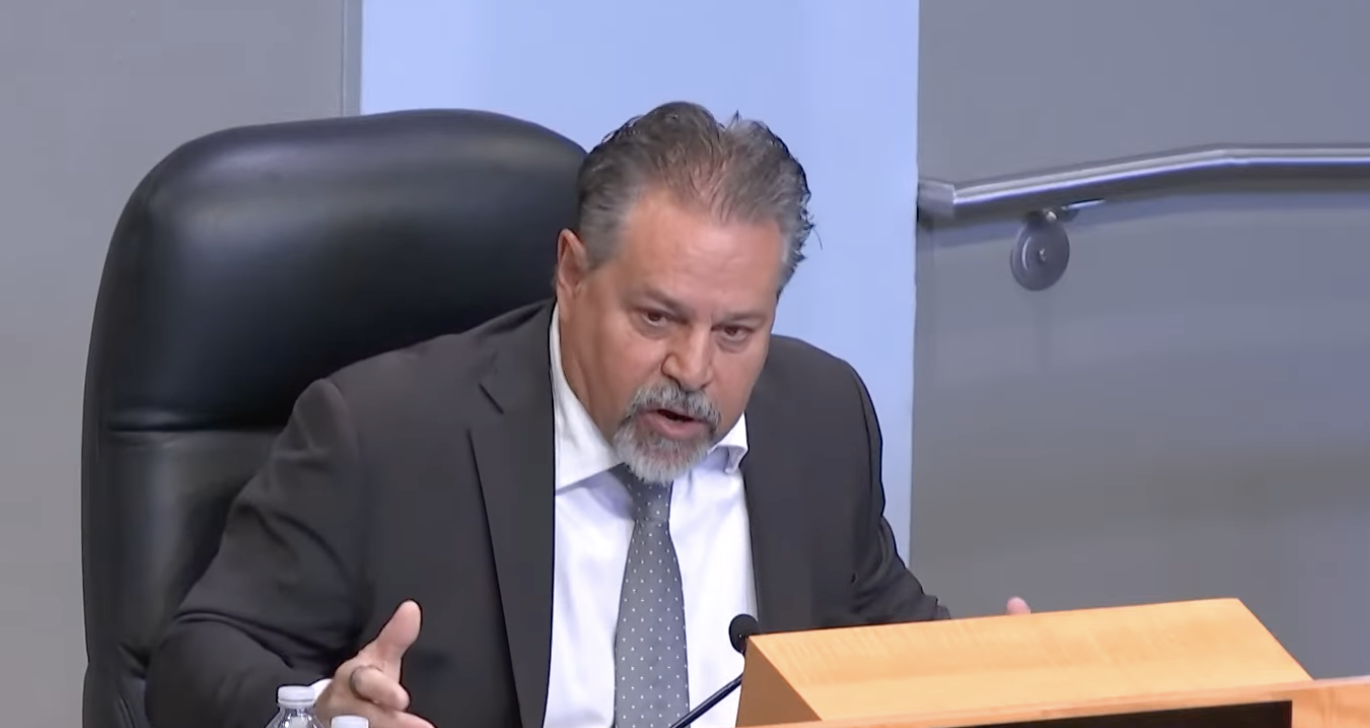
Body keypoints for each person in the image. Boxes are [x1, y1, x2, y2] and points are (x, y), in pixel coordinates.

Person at [143, 101, 1030, 728]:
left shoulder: (820, 418)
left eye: (736, 331)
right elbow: (197, 659)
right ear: (572, 274)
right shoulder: (382, 434)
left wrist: (1002, 682)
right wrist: (319, 717)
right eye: (657, 319)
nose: (693, 369)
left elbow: (885, 641)